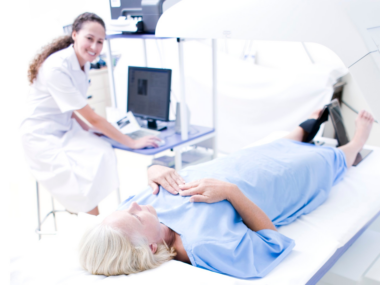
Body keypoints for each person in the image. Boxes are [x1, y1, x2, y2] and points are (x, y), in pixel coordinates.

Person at [78, 109, 374, 278]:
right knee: (323, 160)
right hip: (275, 182)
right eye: (136, 215)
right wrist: (232, 193)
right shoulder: (205, 246)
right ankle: (356, 144)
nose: (135, 205)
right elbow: (274, 243)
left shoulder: (129, 220)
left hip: (239, 162)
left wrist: (153, 169)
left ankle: (302, 130)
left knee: (273, 146)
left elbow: (137, 202)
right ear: (152, 248)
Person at [20, 13, 161, 215]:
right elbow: (91, 115)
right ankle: (90, 220)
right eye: (89, 39)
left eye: (100, 42)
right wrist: (131, 142)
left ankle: (91, 212)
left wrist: (89, 129)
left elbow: (71, 106)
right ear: (75, 34)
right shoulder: (56, 67)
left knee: (103, 152)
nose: (94, 47)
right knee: (76, 176)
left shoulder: (83, 62)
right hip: (40, 135)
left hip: (65, 126)